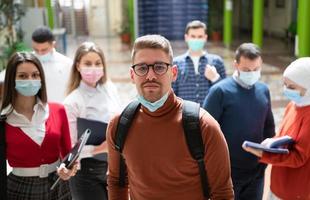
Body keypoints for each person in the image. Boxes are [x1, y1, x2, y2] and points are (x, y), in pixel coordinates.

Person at [106, 34, 234, 200]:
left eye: (159, 67)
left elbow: (222, 192)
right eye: (142, 68)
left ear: (173, 73)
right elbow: (116, 182)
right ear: (132, 75)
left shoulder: (203, 126)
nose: (150, 76)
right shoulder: (120, 125)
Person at [0, 52, 77, 199]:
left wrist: (69, 170)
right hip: (19, 188)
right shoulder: (3, 121)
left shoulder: (58, 110)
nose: (30, 80)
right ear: (12, 80)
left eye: (35, 75)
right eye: (22, 76)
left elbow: (70, 156)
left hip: (58, 186)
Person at [203, 43, 275, 200]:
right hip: (228, 173)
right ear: (236, 65)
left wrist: (264, 162)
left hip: (256, 173)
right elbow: (205, 132)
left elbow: (269, 128)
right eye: (247, 70)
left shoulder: (264, 90)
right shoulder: (220, 91)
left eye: (256, 69)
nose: (252, 73)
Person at [243, 57, 310, 200]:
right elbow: (284, 135)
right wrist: (270, 143)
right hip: (279, 180)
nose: (286, 90)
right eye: (285, 84)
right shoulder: (294, 105)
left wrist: (264, 154)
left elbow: (299, 156)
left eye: (292, 87)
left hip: (295, 189)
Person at [63, 42, 121, 200]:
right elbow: (70, 150)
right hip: (85, 173)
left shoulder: (110, 89)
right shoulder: (72, 101)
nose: (93, 68)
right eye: (88, 64)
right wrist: (99, 148)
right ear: (78, 66)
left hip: (112, 168)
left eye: (98, 63)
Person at [172, 20, 226, 105]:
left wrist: (215, 78)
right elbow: (171, 93)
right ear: (186, 37)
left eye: (200, 36)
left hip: (210, 114)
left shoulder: (217, 61)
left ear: (205, 38)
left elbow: (226, 94)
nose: (196, 39)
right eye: (193, 36)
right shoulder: (176, 63)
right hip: (184, 114)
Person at [32, 26, 72, 103]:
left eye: (44, 50)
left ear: (53, 45)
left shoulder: (67, 63)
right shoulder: (27, 63)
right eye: (36, 50)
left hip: (60, 108)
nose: (40, 53)